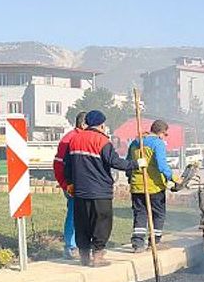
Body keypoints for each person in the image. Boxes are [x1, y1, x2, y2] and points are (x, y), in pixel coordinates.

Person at [63, 109, 142, 267]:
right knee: (102, 222)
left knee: (82, 223)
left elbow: (67, 164)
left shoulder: (75, 140)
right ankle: (98, 256)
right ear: (101, 125)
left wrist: (70, 182)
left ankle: (84, 256)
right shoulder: (103, 142)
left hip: (80, 190)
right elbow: (115, 162)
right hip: (100, 191)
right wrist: (136, 164)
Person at [126, 119, 178, 252]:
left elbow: (128, 163)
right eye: (165, 134)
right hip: (154, 186)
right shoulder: (158, 143)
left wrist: (129, 177)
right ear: (160, 132)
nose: (164, 137)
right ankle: (154, 242)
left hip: (137, 185)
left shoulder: (135, 143)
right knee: (158, 214)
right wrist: (173, 178)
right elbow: (162, 166)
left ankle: (137, 243)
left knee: (140, 214)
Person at [53, 111, 86, 259]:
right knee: (74, 214)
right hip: (72, 184)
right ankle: (71, 246)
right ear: (83, 124)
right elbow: (59, 164)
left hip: (84, 183)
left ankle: (82, 244)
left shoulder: (83, 137)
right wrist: (65, 184)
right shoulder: (69, 139)